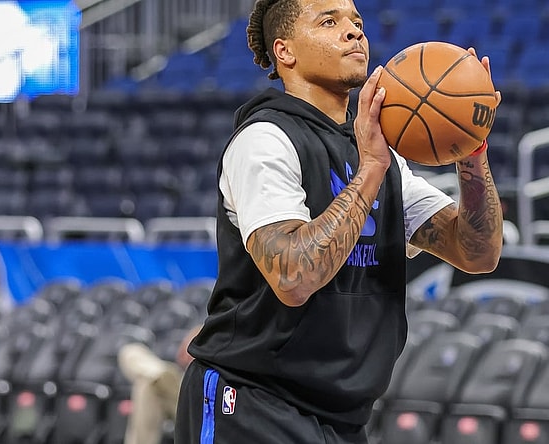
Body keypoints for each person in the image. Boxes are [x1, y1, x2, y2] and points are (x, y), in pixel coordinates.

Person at [174, 0, 504, 442]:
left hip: (340, 414)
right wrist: (370, 170)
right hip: (252, 402)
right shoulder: (265, 140)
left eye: (356, 22)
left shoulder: (380, 157)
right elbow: (293, 277)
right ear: (285, 51)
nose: (354, 32)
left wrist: (471, 150)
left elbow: (477, 252)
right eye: (329, 21)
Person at [118, 325, 201, 444]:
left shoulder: (215, 333)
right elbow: (183, 355)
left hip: (193, 400)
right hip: (173, 385)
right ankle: (159, 374)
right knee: (132, 353)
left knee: (149, 382)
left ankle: (159, 374)